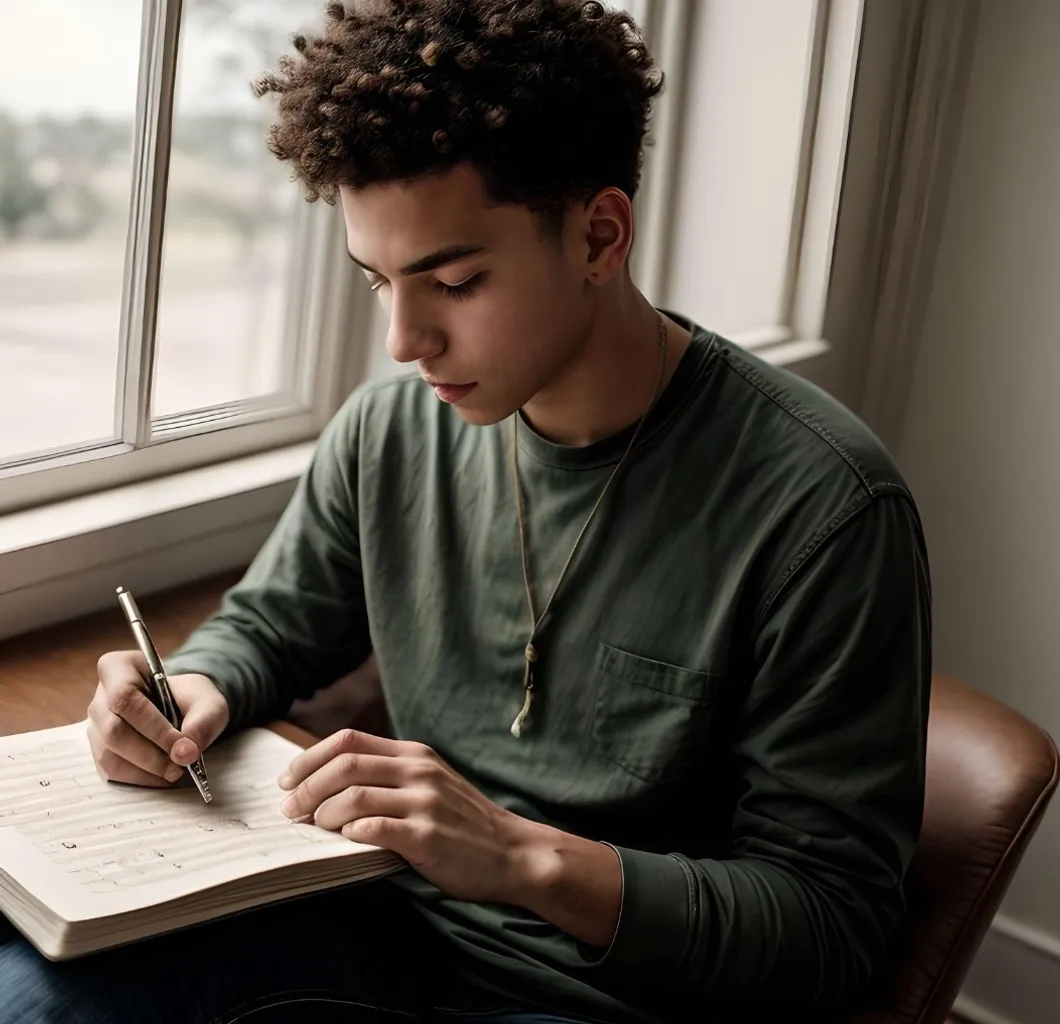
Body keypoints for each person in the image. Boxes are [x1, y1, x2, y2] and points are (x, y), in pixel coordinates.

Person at [0, 1, 931, 1021]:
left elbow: (828, 928)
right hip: (362, 918)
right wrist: (192, 690)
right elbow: (272, 623)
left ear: (598, 235)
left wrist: (518, 854)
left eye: (453, 281)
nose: (404, 340)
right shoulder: (391, 429)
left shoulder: (825, 508)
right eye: (377, 282)